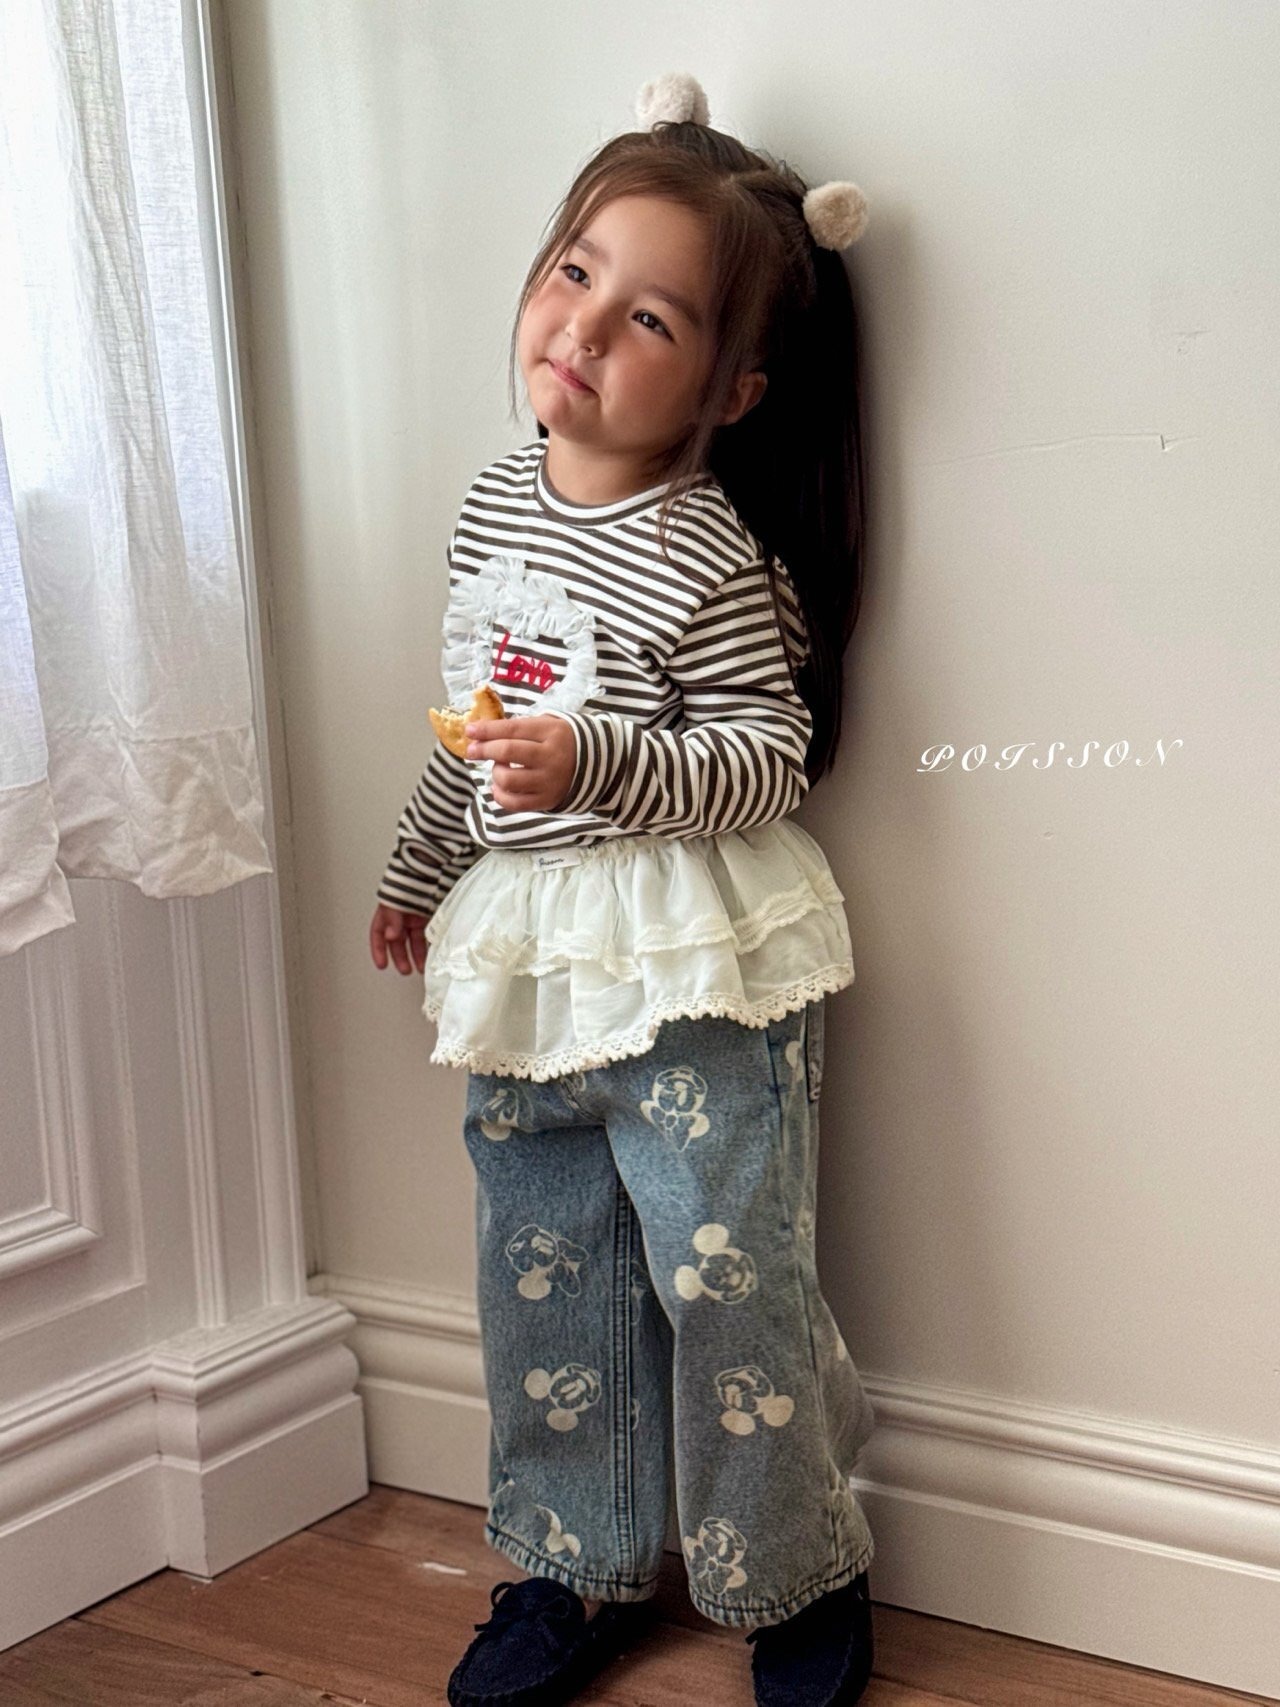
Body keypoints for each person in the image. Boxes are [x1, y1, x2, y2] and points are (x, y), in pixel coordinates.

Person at [370, 69, 877, 1707]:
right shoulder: (489, 507)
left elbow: (765, 757)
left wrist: (595, 761)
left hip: (685, 965)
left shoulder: (705, 549)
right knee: (546, 1276)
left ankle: (792, 1568)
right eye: (574, 271)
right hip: (526, 962)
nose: (583, 327)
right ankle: (571, 1561)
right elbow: (473, 727)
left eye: (648, 317)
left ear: (731, 388)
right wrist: (421, 866)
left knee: (726, 1277)